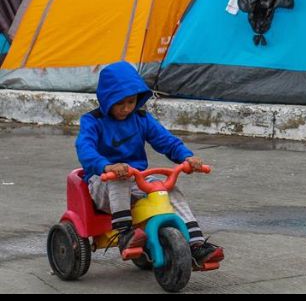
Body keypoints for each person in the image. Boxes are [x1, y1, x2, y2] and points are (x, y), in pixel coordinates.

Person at [75, 61, 224, 267]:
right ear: (107, 99)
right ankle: (125, 234)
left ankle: (196, 244)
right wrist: (106, 166)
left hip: (138, 178)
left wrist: (186, 157)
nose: (127, 108)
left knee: (168, 187)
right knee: (120, 180)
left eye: (131, 101)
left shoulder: (141, 118)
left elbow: (165, 140)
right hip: (103, 182)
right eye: (120, 103)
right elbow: (85, 148)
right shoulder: (92, 121)